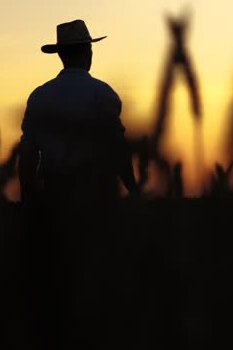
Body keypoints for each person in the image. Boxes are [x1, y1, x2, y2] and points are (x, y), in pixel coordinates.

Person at [17, 19, 138, 346]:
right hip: (97, 198)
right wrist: (134, 191)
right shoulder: (102, 94)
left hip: (55, 199)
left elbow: (27, 156)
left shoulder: (39, 97)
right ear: (87, 52)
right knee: (100, 276)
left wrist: (30, 204)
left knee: (60, 277)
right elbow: (117, 149)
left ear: (61, 55)